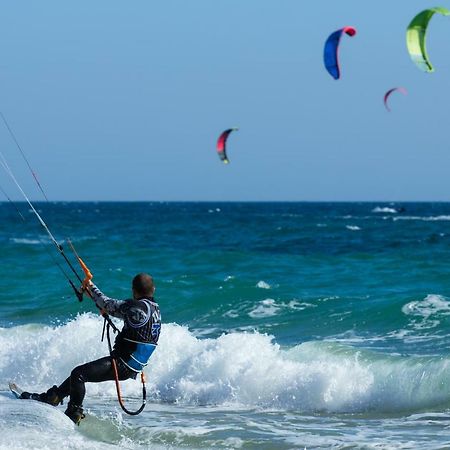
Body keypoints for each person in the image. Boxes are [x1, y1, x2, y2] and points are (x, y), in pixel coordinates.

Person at [19, 273, 161, 425]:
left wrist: (91, 287)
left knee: (78, 375)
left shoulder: (135, 307)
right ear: (154, 289)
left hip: (123, 364)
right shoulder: (156, 310)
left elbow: (106, 303)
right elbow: (126, 317)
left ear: (134, 291)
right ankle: (54, 397)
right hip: (134, 365)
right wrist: (96, 298)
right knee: (78, 375)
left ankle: (73, 415)